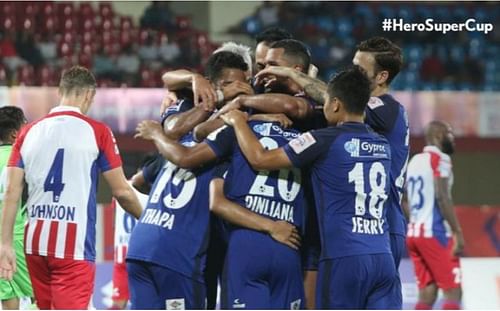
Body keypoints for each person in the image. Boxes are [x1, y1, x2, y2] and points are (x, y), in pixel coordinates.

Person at [219, 66, 399, 309]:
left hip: (344, 258)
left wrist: (239, 122)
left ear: (335, 105)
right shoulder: (383, 145)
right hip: (383, 258)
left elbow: (260, 159)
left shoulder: (324, 139)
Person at [127, 52, 297, 310]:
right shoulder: (209, 130)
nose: (240, 89)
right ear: (213, 85)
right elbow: (179, 148)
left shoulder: (191, 138)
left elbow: (141, 179)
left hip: (143, 245)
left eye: (244, 83)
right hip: (181, 255)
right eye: (231, 84)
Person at [256, 36, 408, 308]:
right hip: (370, 230)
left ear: (382, 76)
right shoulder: (375, 118)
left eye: (360, 70)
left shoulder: (385, 109)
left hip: (379, 226)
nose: (353, 74)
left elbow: (331, 99)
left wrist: (292, 75)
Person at [0, 66, 143, 309]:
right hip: (73, 248)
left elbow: (11, 191)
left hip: (35, 244)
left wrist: (4, 245)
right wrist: (148, 219)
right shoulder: (99, 132)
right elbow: (121, 191)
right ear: (89, 95)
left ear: (60, 91)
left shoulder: (28, 132)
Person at [406, 121, 463, 310]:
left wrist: (415, 220)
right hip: (435, 233)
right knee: (453, 291)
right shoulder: (441, 159)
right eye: (450, 134)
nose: (453, 139)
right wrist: (457, 231)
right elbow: (442, 196)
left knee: (427, 293)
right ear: (438, 136)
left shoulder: (414, 161)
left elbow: (403, 200)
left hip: (414, 234)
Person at [0, 107, 33, 310]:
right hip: (15, 239)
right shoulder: (22, 158)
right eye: (25, 124)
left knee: (8, 297)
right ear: (15, 134)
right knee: (41, 297)